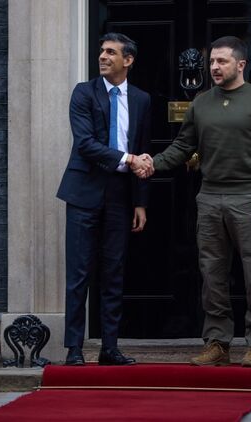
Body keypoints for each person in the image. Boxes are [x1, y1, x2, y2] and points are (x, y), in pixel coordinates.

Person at [137, 36, 251, 367]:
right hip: (209, 197)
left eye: (222, 61)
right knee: (212, 273)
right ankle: (218, 342)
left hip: (249, 198)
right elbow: (183, 146)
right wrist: (152, 163)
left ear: (241, 64)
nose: (214, 67)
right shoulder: (201, 103)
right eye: (212, 62)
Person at [57, 32, 154, 366]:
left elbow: (143, 146)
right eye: (101, 51)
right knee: (79, 272)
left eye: (111, 52)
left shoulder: (141, 99)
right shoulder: (84, 93)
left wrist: (140, 202)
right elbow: (85, 144)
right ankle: (74, 348)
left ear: (128, 60)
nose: (102, 56)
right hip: (84, 192)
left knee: (114, 272)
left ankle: (109, 348)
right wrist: (129, 159)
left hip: (120, 195)